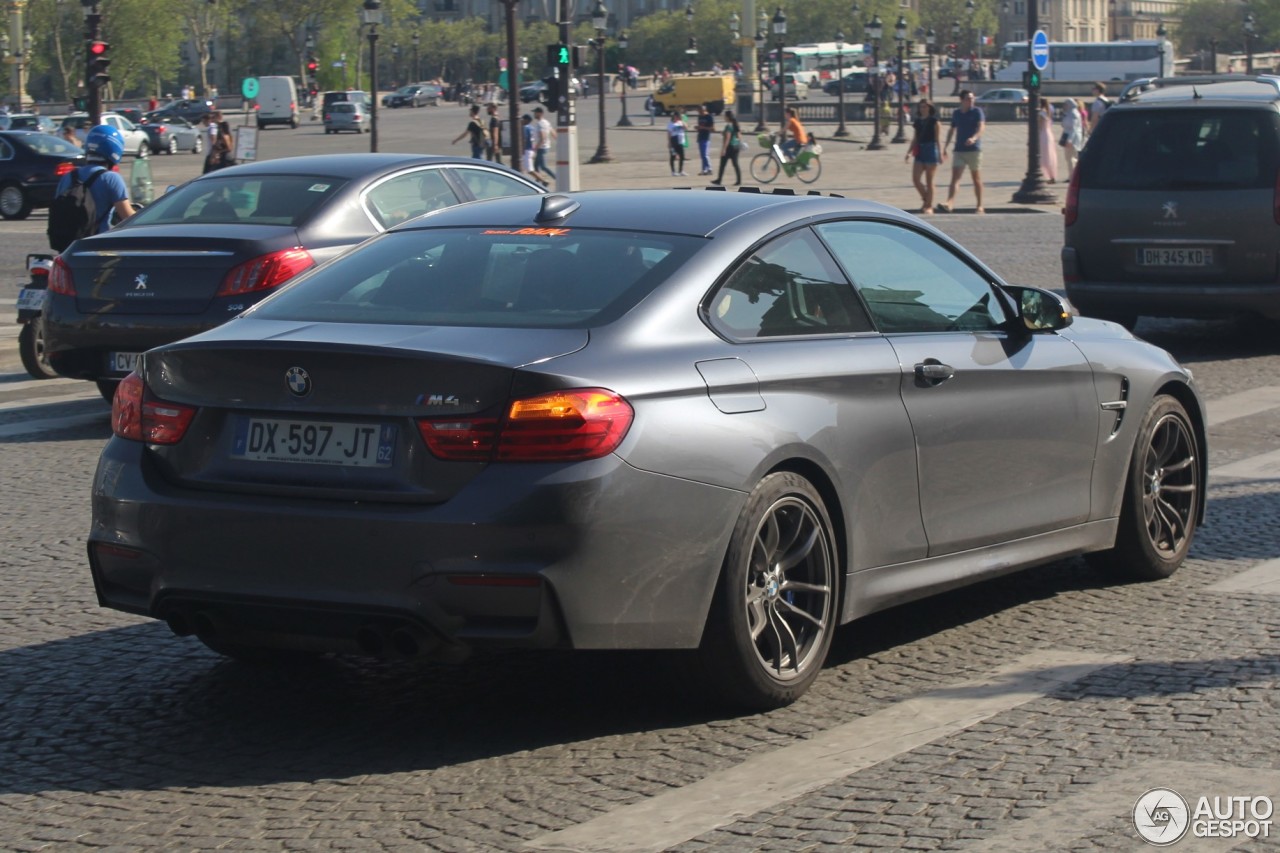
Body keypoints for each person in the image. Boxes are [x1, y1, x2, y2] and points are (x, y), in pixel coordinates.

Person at [54, 124, 134, 234]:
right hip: (97, 244)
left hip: (69, 246)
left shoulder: (68, 176)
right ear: (115, 149)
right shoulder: (112, 178)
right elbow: (128, 217)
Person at [939, 89, 986, 214]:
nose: (971, 101)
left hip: (974, 150)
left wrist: (974, 138)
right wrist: (945, 147)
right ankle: (949, 203)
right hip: (959, 149)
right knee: (955, 178)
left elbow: (981, 127)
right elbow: (952, 129)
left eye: (972, 98)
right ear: (962, 100)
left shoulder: (977, 111)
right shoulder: (957, 113)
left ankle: (980, 205)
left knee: (976, 178)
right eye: (968, 99)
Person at [905, 100, 942, 214]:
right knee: (916, 179)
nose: (923, 109)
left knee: (929, 181)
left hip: (931, 149)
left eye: (925, 107)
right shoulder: (917, 122)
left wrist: (940, 154)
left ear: (930, 108)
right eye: (921, 107)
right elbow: (915, 138)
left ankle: (929, 206)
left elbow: (938, 139)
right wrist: (909, 152)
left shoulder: (934, 121)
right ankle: (926, 199)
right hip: (920, 149)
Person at [710, 109, 742, 186]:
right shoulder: (736, 124)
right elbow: (739, 136)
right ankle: (739, 180)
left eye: (725, 116)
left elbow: (727, 138)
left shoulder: (728, 126)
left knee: (722, 164)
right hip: (736, 146)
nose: (724, 118)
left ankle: (719, 180)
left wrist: (724, 149)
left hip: (729, 147)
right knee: (735, 164)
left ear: (728, 117)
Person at [520, 113, 549, 186]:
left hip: (526, 150)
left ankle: (543, 180)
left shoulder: (525, 128)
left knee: (529, 170)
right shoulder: (532, 128)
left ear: (526, 120)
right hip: (531, 149)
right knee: (524, 168)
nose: (521, 121)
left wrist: (522, 150)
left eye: (522, 119)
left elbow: (524, 139)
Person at [1060, 97, 1086, 176]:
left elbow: (1073, 128)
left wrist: (1070, 140)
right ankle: (1071, 174)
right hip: (1068, 136)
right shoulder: (1068, 113)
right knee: (1068, 157)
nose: (1064, 106)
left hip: (1072, 138)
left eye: (1065, 104)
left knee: (1072, 158)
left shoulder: (1073, 114)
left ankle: (1073, 175)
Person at [1038, 98, 1059, 184]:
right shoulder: (1048, 112)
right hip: (1049, 134)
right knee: (1050, 156)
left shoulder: (1041, 113)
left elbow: (1039, 126)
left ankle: (1047, 176)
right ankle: (1052, 175)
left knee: (1044, 156)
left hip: (1043, 135)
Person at [532, 107, 556, 180]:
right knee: (536, 166)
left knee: (543, 166)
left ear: (540, 113)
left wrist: (535, 148)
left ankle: (557, 178)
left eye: (535, 112)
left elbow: (543, 138)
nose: (534, 114)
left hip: (542, 148)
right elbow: (553, 133)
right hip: (545, 147)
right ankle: (539, 181)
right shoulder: (546, 122)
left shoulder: (540, 124)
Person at [695, 104, 715, 176]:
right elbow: (700, 126)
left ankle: (709, 169)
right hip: (700, 136)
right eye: (698, 111)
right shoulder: (700, 117)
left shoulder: (709, 117)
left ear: (704, 110)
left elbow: (712, 129)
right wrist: (698, 128)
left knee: (705, 154)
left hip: (706, 137)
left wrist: (702, 128)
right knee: (702, 155)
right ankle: (704, 170)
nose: (699, 113)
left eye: (700, 111)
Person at [666, 109, 687, 177]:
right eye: (677, 116)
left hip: (680, 141)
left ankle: (681, 171)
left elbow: (686, 128)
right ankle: (673, 171)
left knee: (682, 156)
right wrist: (669, 142)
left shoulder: (680, 122)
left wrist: (682, 121)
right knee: (673, 156)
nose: (677, 118)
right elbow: (669, 133)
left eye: (678, 117)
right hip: (674, 140)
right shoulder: (670, 124)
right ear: (674, 116)